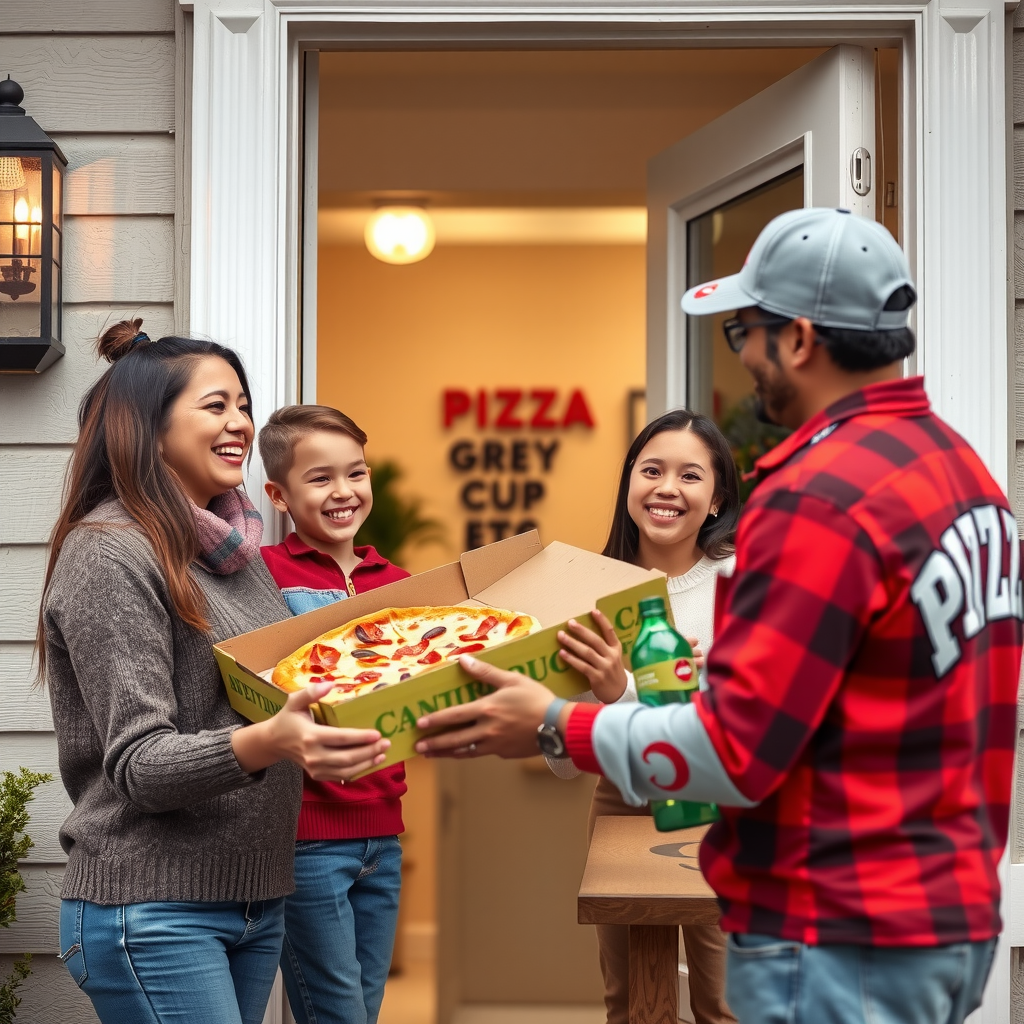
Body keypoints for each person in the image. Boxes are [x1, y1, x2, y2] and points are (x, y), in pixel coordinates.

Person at [411, 209, 1024, 1024]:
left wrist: (561, 723)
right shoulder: (963, 473)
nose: (739, 352)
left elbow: (739, 746)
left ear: (799, 340)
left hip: (835, 923)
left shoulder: (820, 497)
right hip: (944, 909)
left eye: (745, 329)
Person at [40, 321, 390, 1024]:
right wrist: (276, 741)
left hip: (255, 899)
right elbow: (139, 762)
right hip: (154, 907)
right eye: (215, 406)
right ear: (149, 425)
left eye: (243, 404)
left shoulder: (238, 559)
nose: (240, 423)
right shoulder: (111, 554)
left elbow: (259, 704)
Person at [547, 409, 739, 1024]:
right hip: (623, 805)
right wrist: (606, 695)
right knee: (632, 1007)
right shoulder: (584, 591)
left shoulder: (745, 583)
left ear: (716, 500)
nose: (666, 489)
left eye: (690, 476)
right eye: (651, 470)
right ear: (630, 483)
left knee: (726, 1005)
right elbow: (559, 759)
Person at [258, 405, 410, 1024]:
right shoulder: (262, 577)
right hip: (307, 836)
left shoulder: (400, 584)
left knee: (363, 1010)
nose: (343, 492)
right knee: (337, 1013)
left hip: (385, 831)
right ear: (279, 494)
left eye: (356, 473)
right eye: (320, 479)